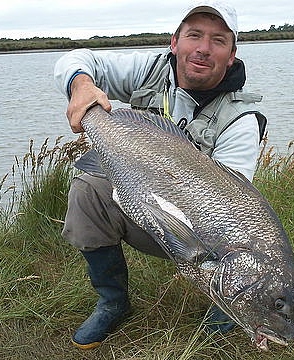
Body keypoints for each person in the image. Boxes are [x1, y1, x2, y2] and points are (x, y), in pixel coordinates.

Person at [53, 0, 267, 350]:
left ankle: (231, 299)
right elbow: (75, 59)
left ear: (231, 54)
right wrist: (80, 85)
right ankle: (113, 302)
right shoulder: (150, 69)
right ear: (174, 42)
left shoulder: (241, 120)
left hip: (196, 231)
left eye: (218, 40)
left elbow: (229, 208)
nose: (202, 48)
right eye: (194, 35)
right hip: (139, 195)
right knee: (87, 189)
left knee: (226, 252)